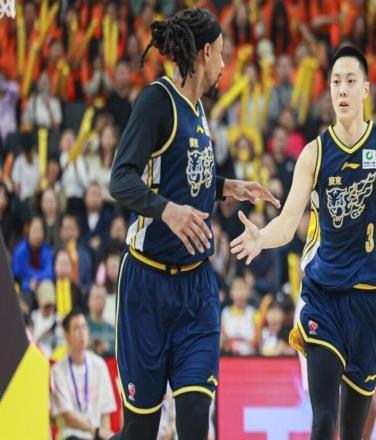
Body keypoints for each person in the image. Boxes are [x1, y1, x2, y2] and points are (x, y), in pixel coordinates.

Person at [230, 45, 376, 439]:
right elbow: (287, 222)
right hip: (322, 297)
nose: (342, 89)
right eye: (336, 81)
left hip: (368, 304)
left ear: (365, 89)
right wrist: (261, 237)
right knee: (324, 420)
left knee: (354, 430)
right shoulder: (314, 154)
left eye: (350, 81)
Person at [109, 8, 279, 440]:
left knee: (194, 424)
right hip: (147, 285)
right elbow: (121, 179)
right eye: (221, 53)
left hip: (197, 289)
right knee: (140, 430)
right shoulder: (156, 101)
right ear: (205, 53)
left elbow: (185, 177)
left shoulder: (199, 108)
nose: (224, 64)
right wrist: (167, 210)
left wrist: (228, 187)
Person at [51, 309, 116, 440]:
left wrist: (105, 435)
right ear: (66, 335)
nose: (82, 333)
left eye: (84, 327)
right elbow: (68, 417)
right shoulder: (58, 370)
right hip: (72, 435)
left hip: (97, 435)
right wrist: (95, 431)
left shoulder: (99, 365)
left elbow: (105, 413)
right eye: (76, 328)